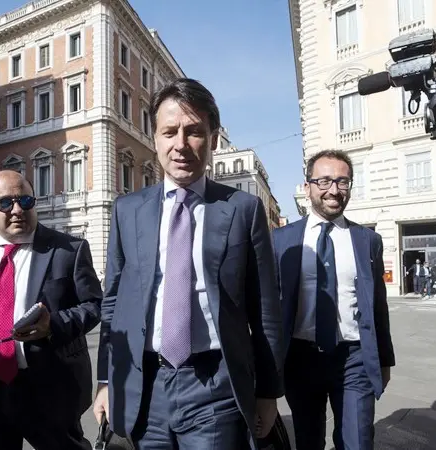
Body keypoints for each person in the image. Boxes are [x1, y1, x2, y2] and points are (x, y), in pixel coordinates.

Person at [93, 78, 284, 449]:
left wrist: (268, 391)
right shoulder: (127, 211)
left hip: (216, 385)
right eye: (169, 132)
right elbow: (113, 302)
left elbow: (265, 309)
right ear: (155, 138)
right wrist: (105, 379)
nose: (180, 144)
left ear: (212, 139)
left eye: (194, 131)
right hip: (144, 386)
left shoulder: (243, 210)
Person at [0, 169, 102, 450]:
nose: (17, 210)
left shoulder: (68, 249)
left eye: (25, 201)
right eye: (5, 203)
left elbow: (94, 304)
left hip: (49, 390)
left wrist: (55, 325)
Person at [273, 150, 395, 449]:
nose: (334, 190)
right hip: (300, 359)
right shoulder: (280, 241)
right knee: (308, 439)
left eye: (343, 182)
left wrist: (385, 359)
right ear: (307, 187)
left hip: (354, 357)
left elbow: (378, 303)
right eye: (324, 181)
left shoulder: (367, 240)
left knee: (357, 440)